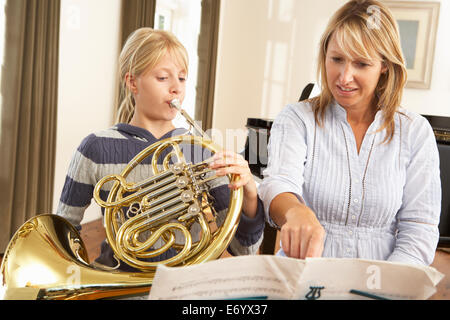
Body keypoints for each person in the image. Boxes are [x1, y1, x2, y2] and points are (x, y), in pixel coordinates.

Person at [56, 28, 265, 272]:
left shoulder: (201, 151)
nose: (176, 88)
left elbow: (244, 250)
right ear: (132, 82)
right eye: (163, 78)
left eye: (182, 78)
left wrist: (249, 193)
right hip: (119, 282)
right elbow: (64, 229)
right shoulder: (95, 147)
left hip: (186, 288)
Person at [258, 0, 441, 266]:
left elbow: (419, 229)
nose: (344, 77)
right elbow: (278, 184)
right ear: (325, 56)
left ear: (385, 65)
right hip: (303, 278)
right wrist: (296, 211)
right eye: (337, 59)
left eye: (361, 64)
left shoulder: (415, 132)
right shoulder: (297, 118)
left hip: (386, 285)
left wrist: (380, 289)